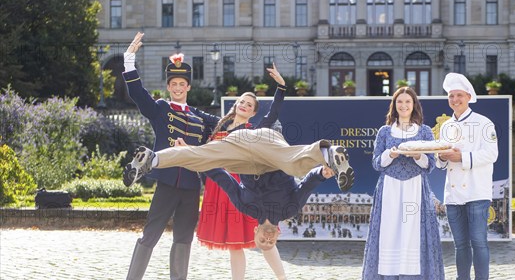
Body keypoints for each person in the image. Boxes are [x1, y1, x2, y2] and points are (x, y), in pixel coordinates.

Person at [112, 32, 219, 280]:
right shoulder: (160, 109)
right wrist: (129, 59)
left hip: (191, 184)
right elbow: (137, 93)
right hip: (168, 181)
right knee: (151, 234)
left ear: (188, 87)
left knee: (184, 236)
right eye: (174, 83)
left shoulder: (199, 116)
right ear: (169, 86)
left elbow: (223, 126)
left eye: (183, 83)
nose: (178, 87)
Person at [195, 64, 302, 280]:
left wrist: (281, 88)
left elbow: (273, 113)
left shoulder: (255, 130)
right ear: (235, 105)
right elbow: (195, 116)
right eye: (241, 101)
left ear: (253, 113)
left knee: (264, 238)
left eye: (249, 105)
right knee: (234, 243)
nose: (243, 105)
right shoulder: (219, 125)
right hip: (219, 186)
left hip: (243, 189)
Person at [203, 164, 336, 280]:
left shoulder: (245, 207)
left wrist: (192, 157)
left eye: (262, 241)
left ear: (255, 231)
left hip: (251, 159)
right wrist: (321, 172)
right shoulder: (289, 210)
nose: (267, 238)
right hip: (276, 160)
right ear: (278, 235)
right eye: (270, 242)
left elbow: (223, 179)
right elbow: (307, 185)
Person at [361, 87, 445, 280]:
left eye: (408, 102)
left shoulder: (425, 131)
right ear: (394, 105)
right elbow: (376, 163)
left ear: (414, 105)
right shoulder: (385, 132)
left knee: (412, 234)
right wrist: (391, 153)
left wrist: (418, 155)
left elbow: (431, 165)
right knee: (391, 233)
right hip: (390, 188)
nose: (404, 106)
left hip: (415, 187)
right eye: (400, 102)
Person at [122, 124, 354, 193]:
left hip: (246, 150)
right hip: (262, 142)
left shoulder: (229, 119)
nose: (243, 105)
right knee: (291, 162)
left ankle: (152, 160)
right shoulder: (266, 127)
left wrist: (280, 88)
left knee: (198, 157)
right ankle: (328, 154)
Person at [436, 73, 498, 280]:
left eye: (459, 95)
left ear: (469, 97)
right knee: (460, 244)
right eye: (451, 96)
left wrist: (461, 156)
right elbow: (441, 162)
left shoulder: (484, 123)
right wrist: (441, 158)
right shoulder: (446, 126)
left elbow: (491, 154)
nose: (454, 99)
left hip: (477, 191)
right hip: (453, 195)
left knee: (479, 241)